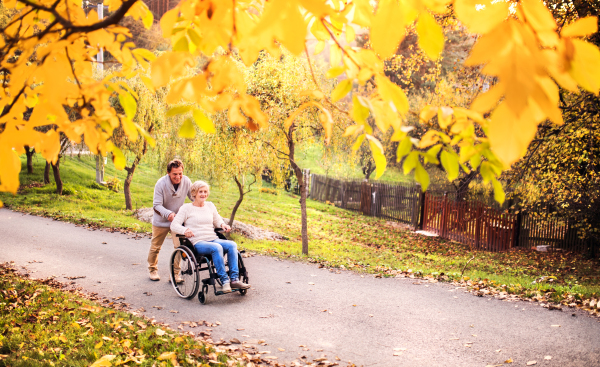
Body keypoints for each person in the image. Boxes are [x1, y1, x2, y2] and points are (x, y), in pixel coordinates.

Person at [170, 180, 250, 293]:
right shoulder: (186, 208)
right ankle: (224, 281)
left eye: (205, 191)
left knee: (232, 244)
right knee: (216, 248)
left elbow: (217, 220)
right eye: (200, 192)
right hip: (198, 242)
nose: (203, 194)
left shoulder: (210, 206)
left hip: (213, 238)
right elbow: (174, 225)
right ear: (194, 193)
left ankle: (234, 280)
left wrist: (223, 225)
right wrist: (185, 230)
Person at [148, 159, 193, 282]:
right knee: (156, 247)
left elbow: (193, 198)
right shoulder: (161, 184)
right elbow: (156, 205)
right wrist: (169, 214)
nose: (178, 177)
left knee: (179, 246)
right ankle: (152, 270)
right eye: (175, 174)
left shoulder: (187, 181)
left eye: (180, 173)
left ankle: (175, 274)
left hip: (177, 221)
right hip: (161, 221)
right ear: (168, 173)